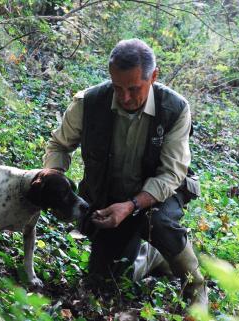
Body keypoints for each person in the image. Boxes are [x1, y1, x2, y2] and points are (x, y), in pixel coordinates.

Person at [43, 39, 208, 307]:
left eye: (134, 88)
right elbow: (59, 145)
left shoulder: (175, 109)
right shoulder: (89, 103)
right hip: (108, 201)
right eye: (118, 88)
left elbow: (170, 174)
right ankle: (153, 256)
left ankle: (195, 285)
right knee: (106, 282)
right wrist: (55, 174)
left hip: (157, 199)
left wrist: (131, 206)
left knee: (158, 224)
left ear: (153, 77)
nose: (125, 97)